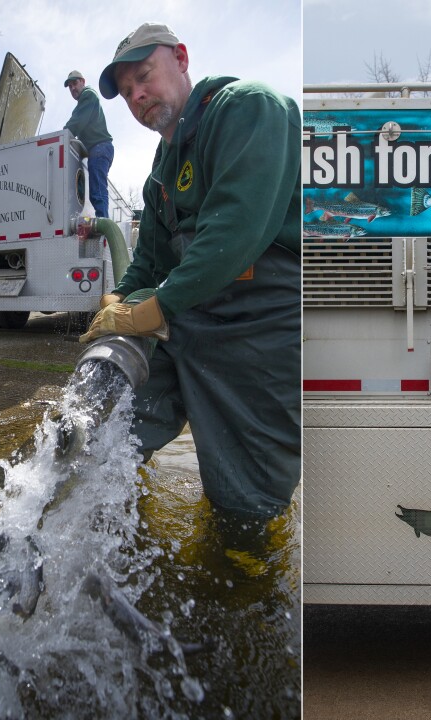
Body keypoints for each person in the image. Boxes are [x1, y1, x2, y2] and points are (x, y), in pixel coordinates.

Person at [80, 23, 301, 531]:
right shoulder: (162, 166)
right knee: (104, 431)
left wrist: (151, 309)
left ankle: (244, 579)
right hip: (187, 316)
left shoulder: (248, 108)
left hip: (258, 323)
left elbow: (233, 232)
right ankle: (97, 525)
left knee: (244, 504)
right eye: (127, 92)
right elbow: (151, 261)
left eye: (143, 76)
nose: (137, 95)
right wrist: (118, 301)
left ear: (181, 58)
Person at [63, 70, 115, 217]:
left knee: (97, 192)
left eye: (75, 83)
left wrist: (62, 135)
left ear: (83, 81)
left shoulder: (88, 95)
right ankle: (103, 224)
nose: (72, 88)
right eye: (70, 86)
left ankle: (103, 228)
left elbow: (76, 122)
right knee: (97, 192)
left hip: (99, 148)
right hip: (100, 149)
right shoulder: (85, 101)